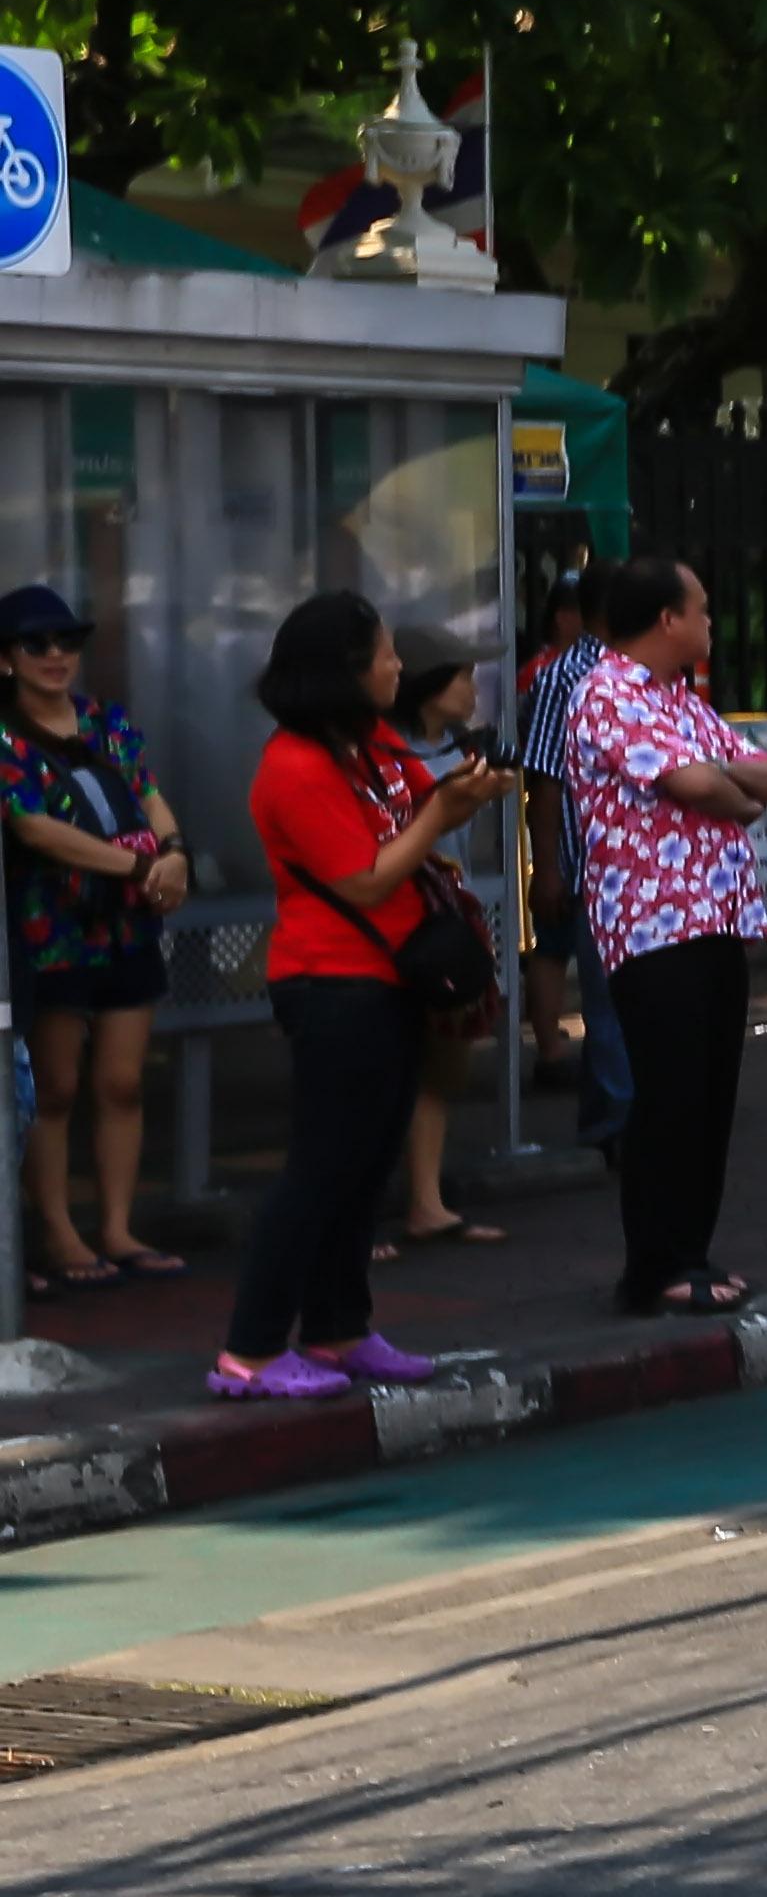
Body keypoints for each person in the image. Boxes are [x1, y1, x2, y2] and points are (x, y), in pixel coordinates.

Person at [217, 593, 508, 1399]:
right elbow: (367, 877)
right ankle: (250, 1349)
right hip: (331, 982)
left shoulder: (370, 746)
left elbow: (414, 805)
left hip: (390, 979)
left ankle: (340, 1328)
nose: (397, 668)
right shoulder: (295, 767)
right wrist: (444, 811)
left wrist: (465, 789)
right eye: (383, 655)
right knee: (320, 1167)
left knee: (366, 1164)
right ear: (345, 672)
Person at [567, 556, 767, 1315]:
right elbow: (700, 785)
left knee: (708, 1095)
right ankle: (655, 1265)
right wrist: (727, 785)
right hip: (654, 923)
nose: (708, 622)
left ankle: (691, 1253)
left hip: (717, 915)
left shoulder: (677, 700)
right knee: (668, 1097)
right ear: (666, 619)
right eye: (699, 609)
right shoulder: (606, 692)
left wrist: (725, 783)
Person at [2, 582, 191, 1290]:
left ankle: (116, 1226)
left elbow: (146, 788)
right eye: (35, 645)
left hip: (127, 923)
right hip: (49, 927)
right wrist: (144, 865)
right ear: (6, 660)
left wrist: (174, 852)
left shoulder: (107, 721)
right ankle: (56, 1231)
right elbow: (31, 826)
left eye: (66, 643)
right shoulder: (6, 736)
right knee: (52, 1086)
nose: (55, 657)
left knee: (120, 1082)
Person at [378, 629, 508, 1258]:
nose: (473, 687)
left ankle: (426, 1203)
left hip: (445, 924)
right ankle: (361, 1214)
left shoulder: (451, 749)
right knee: (382, 1068)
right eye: (461, 674)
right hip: (395, 926)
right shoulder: (384, 753)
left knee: (443, 1061)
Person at [513, 571, 626, 1147]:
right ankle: (611, 1127)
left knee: (626, 1005)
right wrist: (549, 868)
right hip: (591, 869)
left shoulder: (640, 671)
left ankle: (621, 1118)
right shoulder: (565, 677)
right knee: (606, 1005)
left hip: (639, 875)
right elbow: (546, 779)